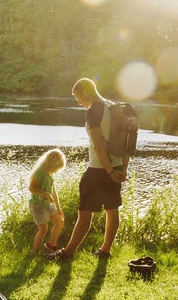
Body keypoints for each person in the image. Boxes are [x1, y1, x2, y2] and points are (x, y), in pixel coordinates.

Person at [47, 78, 129, 261]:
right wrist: (122, 169)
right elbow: (127, 143)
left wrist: (108, 171)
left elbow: (98, 145)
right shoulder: (115, 107)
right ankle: (105, 251)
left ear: (84, 92)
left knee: (84, 214)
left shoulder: (94, 111)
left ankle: (67, 253)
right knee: (112, 210)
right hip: (116, 168)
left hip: (97, 169)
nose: (78, 102)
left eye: (78, 97)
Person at [28, 148, 66, 253]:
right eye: (56, 167)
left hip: (48, 205)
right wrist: (45, 194)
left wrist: (58, 208)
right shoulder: (39, 174)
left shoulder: (50, 175)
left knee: (60, 221)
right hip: (38, 205)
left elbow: (54, 193)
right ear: (50, 164)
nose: (57, 170)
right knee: (43, 229)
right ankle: (35, 251)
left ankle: (51, 244)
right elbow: (31, 188)